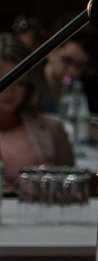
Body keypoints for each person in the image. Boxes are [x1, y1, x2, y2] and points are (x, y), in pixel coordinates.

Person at [0, 33, 74, 191]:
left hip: (39, 206)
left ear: (29, 84)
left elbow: (72, 186)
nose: (9, 91)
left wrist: (41, 185)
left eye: (18, 82)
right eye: (2, 81)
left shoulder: (53, 127)